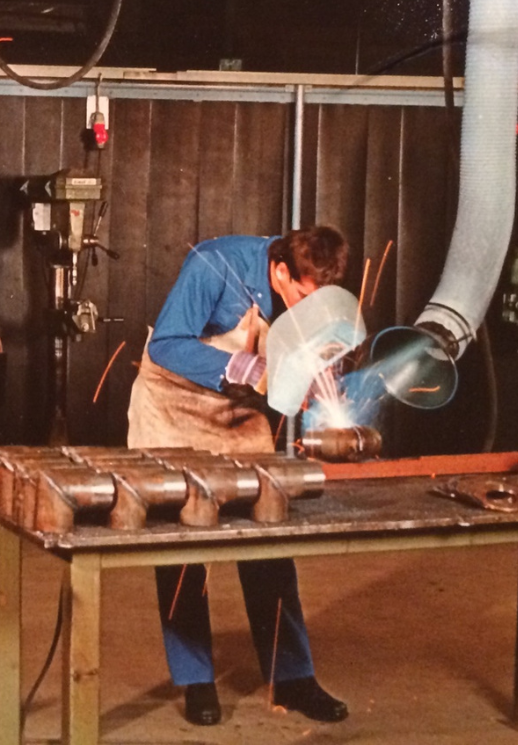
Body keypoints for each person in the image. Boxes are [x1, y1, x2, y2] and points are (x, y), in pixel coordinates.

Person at [126, 226, 351, 726]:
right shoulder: (214, 265)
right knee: (184, 550)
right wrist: (244, 368)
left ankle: (292, 678)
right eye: (301, 296)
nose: (306, 310)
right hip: (174, 409)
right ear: (279, 272)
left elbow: (306, 358)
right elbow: (166, 346)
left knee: (268, 536)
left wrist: (320, 376)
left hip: (236, 416)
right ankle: (196, 681)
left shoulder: (310, 291)